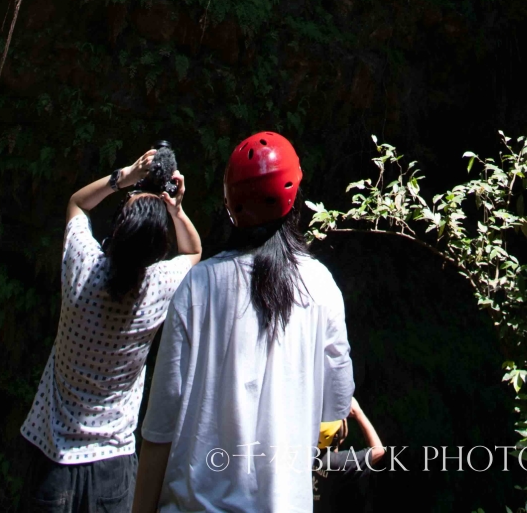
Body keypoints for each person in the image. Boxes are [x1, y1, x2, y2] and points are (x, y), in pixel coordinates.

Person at [132, 130, 354, 513]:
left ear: (229, 204)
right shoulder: (321, 288)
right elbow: (334, 407)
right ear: (294, 200)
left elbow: (160, 428)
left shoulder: (197, 286)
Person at [22, 145, 204, 512]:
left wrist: (126, 177)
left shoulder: (83, 267)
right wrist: (175, 209)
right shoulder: (157, 287)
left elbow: (77, 204)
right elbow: (193, 252)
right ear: (156, 250)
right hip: (113, 464)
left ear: (118, 230)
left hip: (52, 456)